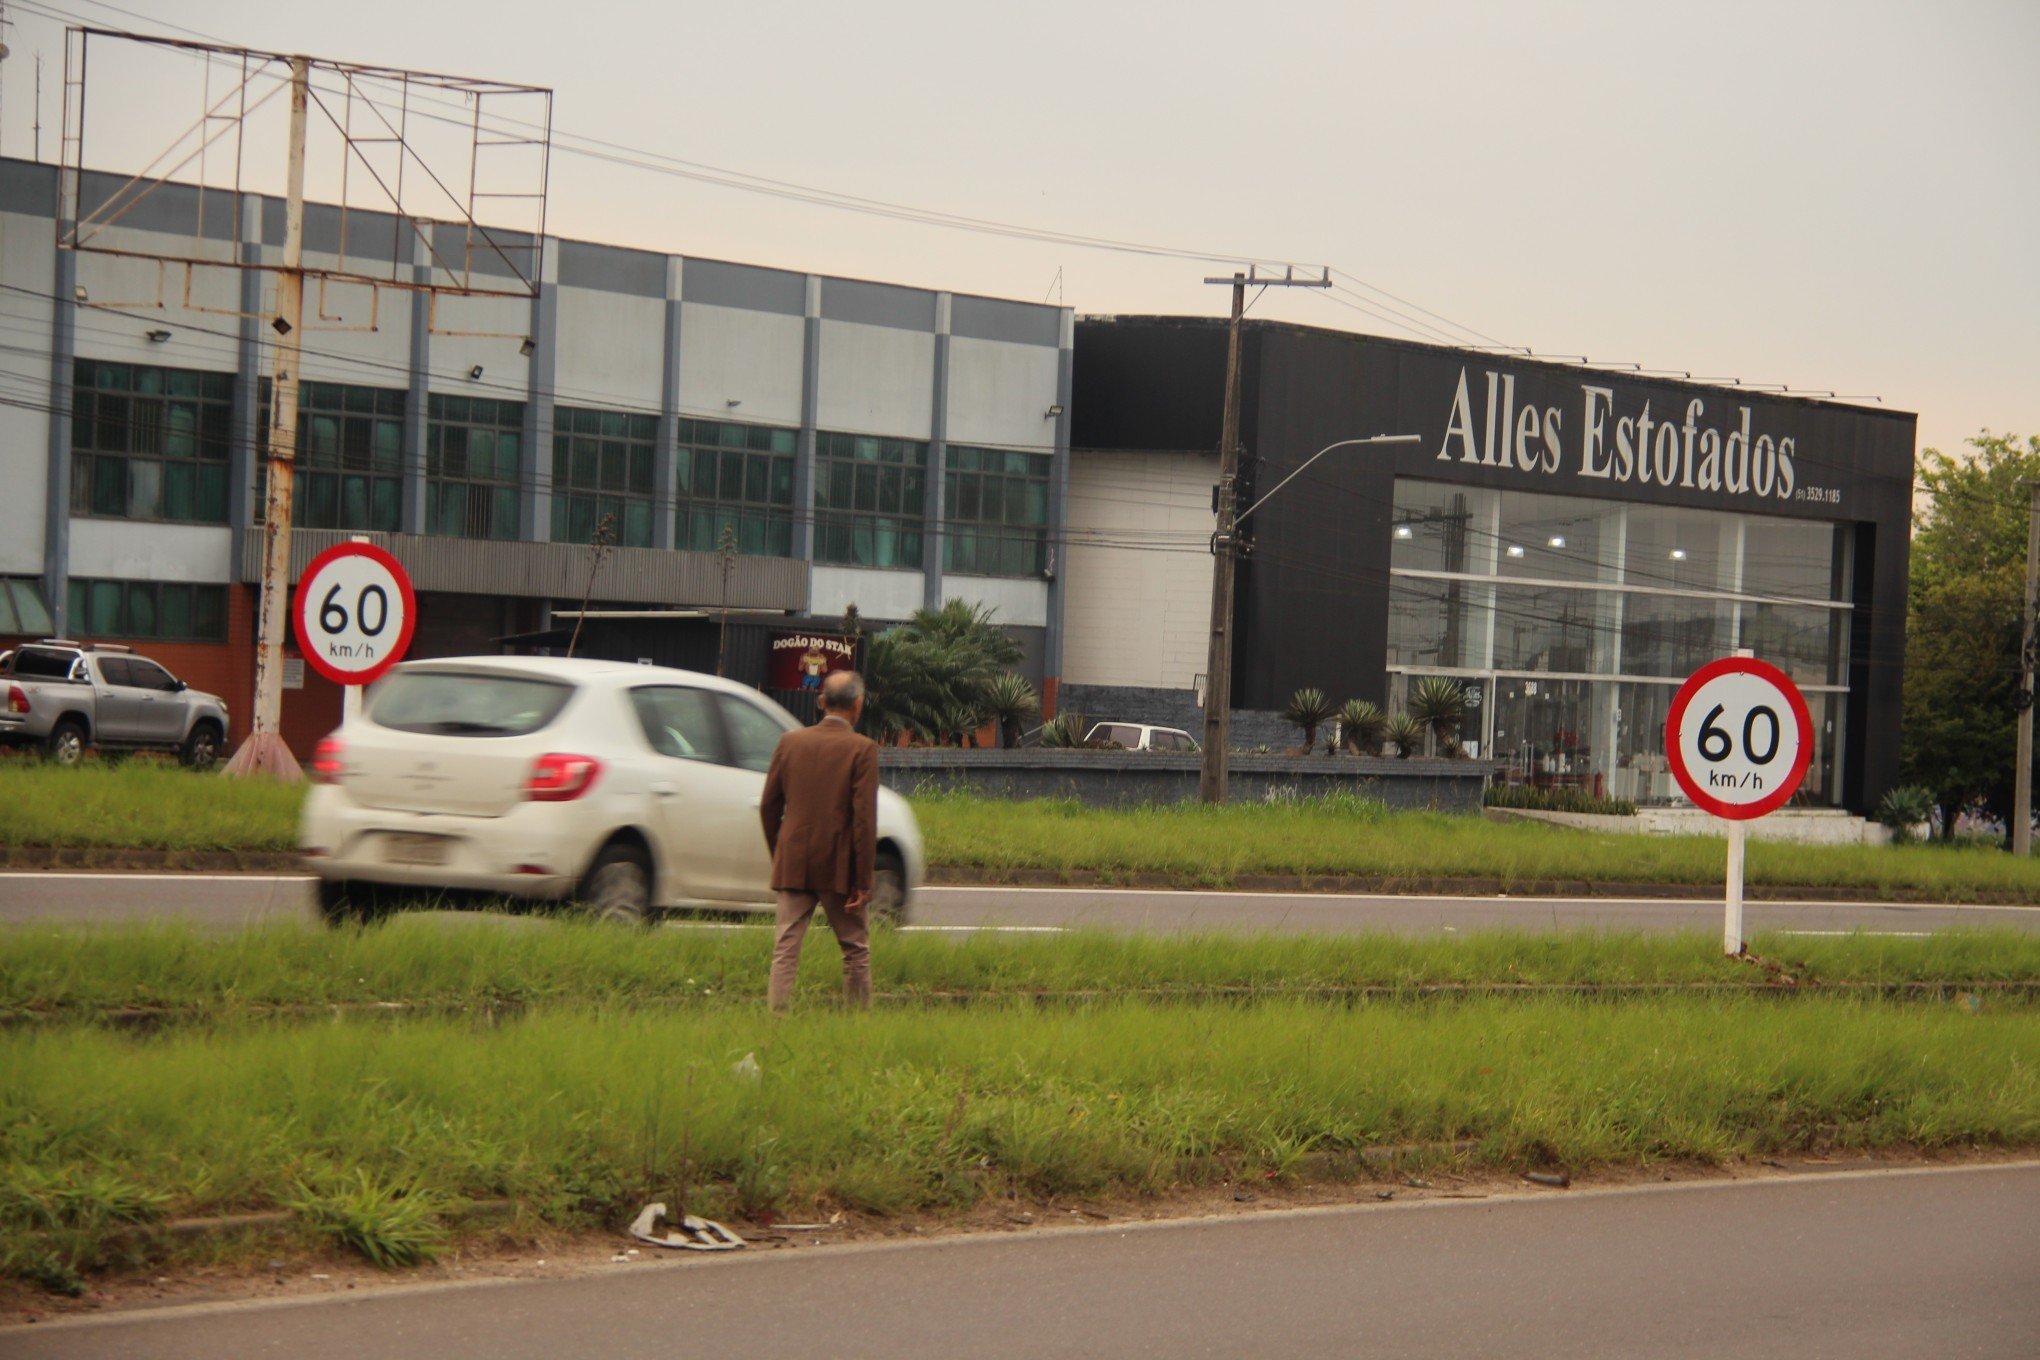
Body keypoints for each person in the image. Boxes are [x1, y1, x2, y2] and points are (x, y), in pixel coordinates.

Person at [759, 670, 878, 1011]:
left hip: (794, 859)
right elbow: (864, 821)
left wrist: (779, 852)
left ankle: (776, 1026)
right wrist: (863, 881)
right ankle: (856, 1030)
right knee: (855, 948)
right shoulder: (863, 750)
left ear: (822, 701)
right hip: (839, 866)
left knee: (785, 950)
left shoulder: (790, 742)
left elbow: (769, 807)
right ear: (858, 705)